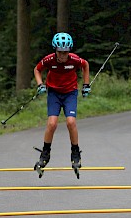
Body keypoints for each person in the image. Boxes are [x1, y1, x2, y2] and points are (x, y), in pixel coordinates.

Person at [33, 32, 90, 172]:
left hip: (70, 93)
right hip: (54, 93)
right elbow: (37, 69)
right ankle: (45, 153)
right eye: (60, 52)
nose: (63, 55)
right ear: (55, 50)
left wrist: (86, 85)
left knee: (71, 122)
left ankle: (75, 152)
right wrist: (40, 84)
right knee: (52, 123)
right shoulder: (49, 60)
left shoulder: (74, 59)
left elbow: (85, 65)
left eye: (65, 52)